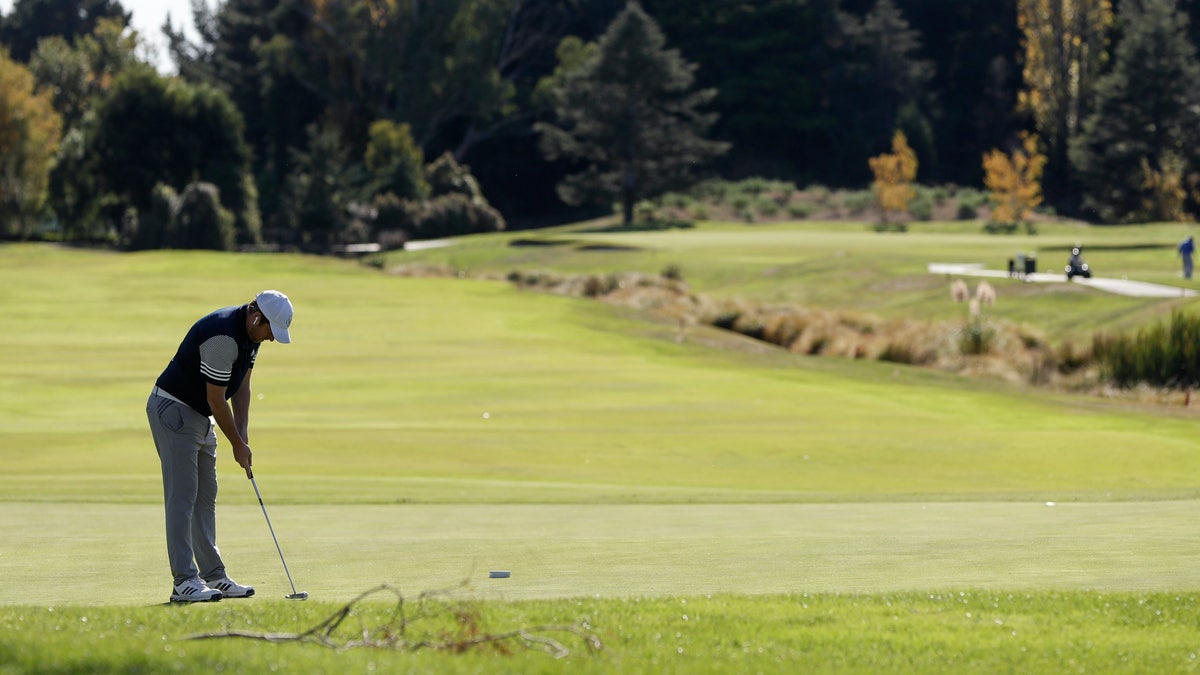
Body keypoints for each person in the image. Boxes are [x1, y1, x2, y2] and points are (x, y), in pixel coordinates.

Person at [146, 290, 294, 602]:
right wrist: (236, 445)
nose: (270, 339)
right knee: (183, 497)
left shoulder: (250, 336)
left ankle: (214, 576)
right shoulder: (223, 337)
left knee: (205, 497)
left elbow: (242, 386)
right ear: (257, 318)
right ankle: (184, 582)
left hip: (199, 415)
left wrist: (243, 433)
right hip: (174, 409)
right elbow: (216, 398)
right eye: (270, 331)